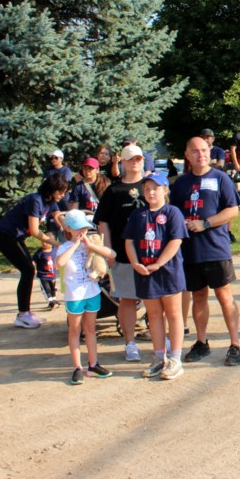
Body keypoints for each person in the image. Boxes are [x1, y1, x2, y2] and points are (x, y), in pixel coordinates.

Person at [170, 136, 240, 367]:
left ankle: (235, 344)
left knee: (224, 296)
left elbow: (233, 210)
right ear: (187, 155)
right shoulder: (180, 184)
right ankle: (201, 342)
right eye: (195, 151)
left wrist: (206, 223)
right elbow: (172, 213)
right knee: (198, 296)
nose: (200, 154)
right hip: (190, 250)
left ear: (209, 152)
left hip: (215, 248)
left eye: (204, 150)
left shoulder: (220, 178)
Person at [125, 173, 189, 380]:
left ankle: (175, 358)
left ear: (165, 190)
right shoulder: (138, 215)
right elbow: (129, 242)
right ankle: (159, 357)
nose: (151, 192)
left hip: (168, 272)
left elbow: (176, 240)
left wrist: (159, 263)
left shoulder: (173, 213)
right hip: (145, 272)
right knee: (153, 315)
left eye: (156, 188)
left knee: (173, 313)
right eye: (147, 189)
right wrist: (135, 263)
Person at [0, 173, 69, 328]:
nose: (63, 194)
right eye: (61, 191)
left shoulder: (51, 201)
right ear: (52, 189)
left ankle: (25, 313)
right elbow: (34, 231)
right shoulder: (36, 200)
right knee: (28, 270)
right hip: (5, 236)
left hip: (16, 237)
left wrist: (70, 229)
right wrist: (57, 244)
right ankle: (23, 315)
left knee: (28, 270)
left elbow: (58, 216)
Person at [94, 144, 147, 361]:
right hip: (123, 253)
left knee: (156, 299)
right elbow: (103, 222)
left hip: (152, 254)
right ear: (122, 163)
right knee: (127, 299)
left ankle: (161, 337)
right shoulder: (113, 191)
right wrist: (108, 250)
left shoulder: (152, 185)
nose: (135, 162)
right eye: (131, 159)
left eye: (138, 159)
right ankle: (130, 342)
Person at [56, 209, 115, 385]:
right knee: (75, 330)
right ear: (68, 229)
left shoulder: (90, 243)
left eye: (84, 228)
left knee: (91, 329)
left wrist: (91, 246)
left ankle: (93, 364)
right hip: (74, 295)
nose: (82, 232)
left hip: (92, 292)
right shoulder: (64, 247)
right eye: (77, 228)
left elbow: (112, 255)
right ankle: (77, 367)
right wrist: (75, 244)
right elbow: (59, 262)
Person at [33, 239, 59, 308]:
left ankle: (54, 299)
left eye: (47, 242)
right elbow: (33, 261)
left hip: (52, 274)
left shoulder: (54, 249)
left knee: (53, 288)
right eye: (43, 242)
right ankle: (50, 301)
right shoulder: (39, 252)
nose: (44, 244)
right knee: (46, 288)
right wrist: (34, 268)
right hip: (43, 275)